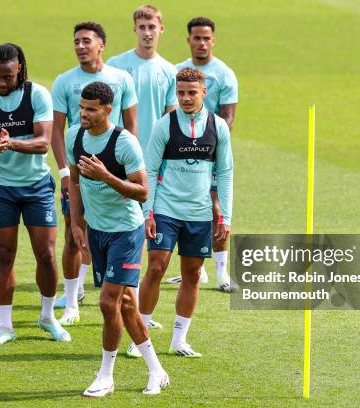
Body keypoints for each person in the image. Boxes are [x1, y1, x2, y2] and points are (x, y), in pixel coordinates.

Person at [65, 82, 169, 396]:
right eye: (82, 107)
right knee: (124, 304)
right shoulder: (75, 136)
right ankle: (157, 371)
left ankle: (105, 376)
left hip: (126, 232)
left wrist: (106, 176)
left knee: (108, 302)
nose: (84, 113)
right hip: (96, 231)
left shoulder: (125, 143)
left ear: (108, 110)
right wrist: (76, 222)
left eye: (91, 109)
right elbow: (73, 180)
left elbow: (142, 192)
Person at [0, 43, 70, 345]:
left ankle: (48, 317)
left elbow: (42, 142)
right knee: (3, 255)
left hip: (37, 186)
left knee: (47, 255)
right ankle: (5, 327)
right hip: (1, 189)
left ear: (20, 71)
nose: (0, 83)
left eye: (6, 77)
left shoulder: (37, 94)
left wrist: (9, 143)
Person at [138, 68, 234, 357]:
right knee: (156, 267)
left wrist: (224, 216)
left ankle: (179, 340)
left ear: (204, 92)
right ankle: (139, 336)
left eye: (192, 92)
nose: (186, 98)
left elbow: (226, 172)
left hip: (200, 213)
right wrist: (148, 212)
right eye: (181, 93)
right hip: (166, 210)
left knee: (192, 274)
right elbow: (150, 170)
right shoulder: (164, 125)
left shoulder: (218, 127)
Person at [51, 22, 138, 325]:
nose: (79, 46)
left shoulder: (120, 79)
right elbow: (57, 131)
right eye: (75, 41)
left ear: (101, 44)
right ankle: (72, 302)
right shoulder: (64, 81)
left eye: (86, 41)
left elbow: (131, 127)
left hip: (114, 169)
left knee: (121, 230)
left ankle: (128, 303)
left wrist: (125, 172)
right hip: (78, 169)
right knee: (73, 233)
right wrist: (64, 171)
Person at [107, 4, 177, 343]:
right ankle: (113, 298)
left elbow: (171, 120)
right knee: (119, 230)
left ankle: (135, 309)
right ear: (134, 29)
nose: (147, 31)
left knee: (150, 239)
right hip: (124, 165)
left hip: (156, 169)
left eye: (152, 25)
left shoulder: (169, 71)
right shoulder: (117, 67)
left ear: (162, 29)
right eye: (141, 26)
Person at [167, 17, 238, 292]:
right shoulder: (178, 71)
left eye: (206, 38)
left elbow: (229, 117)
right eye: (196, 38)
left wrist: (207, 145)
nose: (201, 43)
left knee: (216, 208)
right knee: (181, 207)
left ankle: (221, 273)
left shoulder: (224, 74)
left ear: (213, 40)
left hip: (211, 154)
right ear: (188, 40)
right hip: (180, 156)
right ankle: (197, 270)